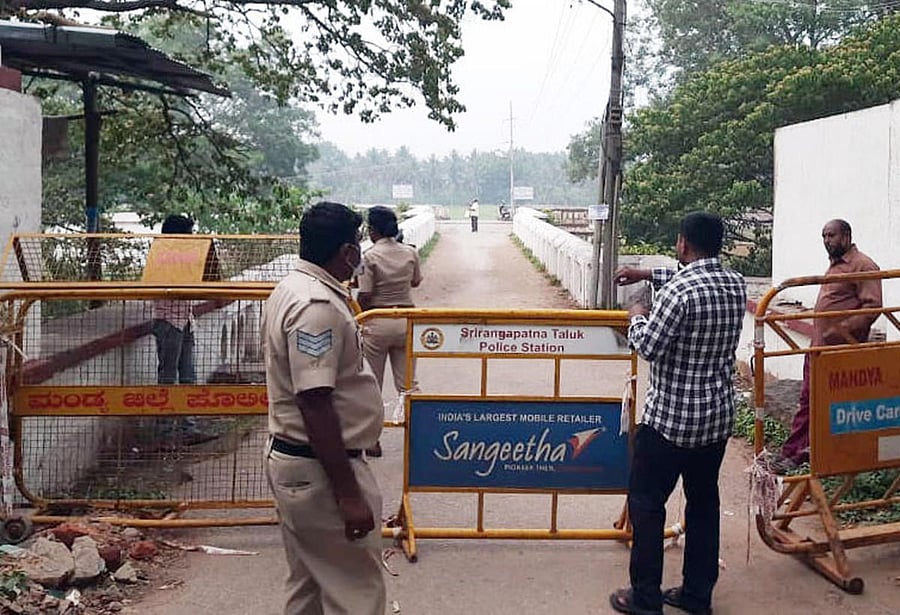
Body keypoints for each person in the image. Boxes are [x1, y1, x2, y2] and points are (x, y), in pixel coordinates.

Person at [610, 212, 746, 615]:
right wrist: (645, 273)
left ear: (684, 243)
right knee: (703, 505)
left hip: (671, 422)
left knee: (648, 503)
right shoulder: (735, 284)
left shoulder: (679, 292)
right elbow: (686, 280)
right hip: (716, 418)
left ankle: (646, 599)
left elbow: (649, 345)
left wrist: (636, 317)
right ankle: (696, 594)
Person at [262, 201, 385, 615]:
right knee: (356, 592)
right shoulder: (316, 307)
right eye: (358, 246)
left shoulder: (292, 288)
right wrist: (349, 494)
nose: (361, 255)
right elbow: (315, 400)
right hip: (320, 470)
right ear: (347, 253)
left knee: (309, 585)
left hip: (299, 466)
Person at [772, 219, 881, 474]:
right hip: (818, 348)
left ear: (846, 235)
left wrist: (840, 330)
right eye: (823, 236)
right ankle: (802, 453)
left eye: (831, 235)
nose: (827, 241)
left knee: (829, 404)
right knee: (810, 400)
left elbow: (873, 307)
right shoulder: (835, 265)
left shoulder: (863, 265)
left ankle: (804, 456)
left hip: (840, 350)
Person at [357, 207, 423, 456]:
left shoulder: (370, 256)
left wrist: (360, 317)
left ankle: (371, 439)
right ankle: (418, 435)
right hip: (407, 320)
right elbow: (416, 281)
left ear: (372, 230)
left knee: (371, 383)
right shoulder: (410, 252)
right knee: (408, 384)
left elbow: (365, 293)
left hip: (378, 319)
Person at [151, 214, 215, 445]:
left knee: (188, 375)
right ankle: (164, 433)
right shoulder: (162, 256)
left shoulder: (187, 256)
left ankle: (189, 427)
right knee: (168, 376)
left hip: (184, 319)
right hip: (168, 320)